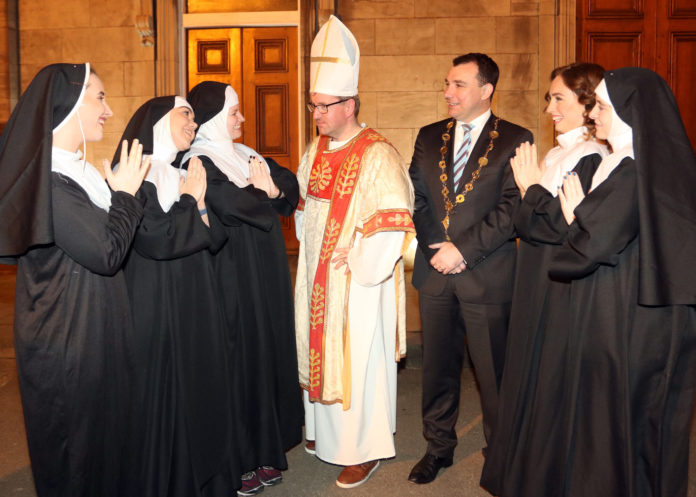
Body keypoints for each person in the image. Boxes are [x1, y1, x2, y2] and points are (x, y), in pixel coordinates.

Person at [496, 67, 696, 496]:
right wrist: (579, 221)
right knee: (610, 419)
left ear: (628, 112)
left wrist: (575, 219)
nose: (595, 115)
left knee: (626, 419)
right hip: (622, 305)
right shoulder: (633, 162)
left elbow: (592, 244)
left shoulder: (635, 167)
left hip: (635, 318)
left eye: (603, 107)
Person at [0, 63, 149, 496]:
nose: (109, 110)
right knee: (79, 460)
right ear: (67, 107)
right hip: (67, 346)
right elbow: (106, 253)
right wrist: (123, 194)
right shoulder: (48, 182)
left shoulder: (76, 172)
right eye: (99, 97)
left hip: (94, 335)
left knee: (109, 448)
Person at [295, 15, 415, 489]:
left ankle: (364, 450)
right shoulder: (317, 148)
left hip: (357, 283)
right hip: (317, 273)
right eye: (313, 105)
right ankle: (324, 435)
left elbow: (393, 222)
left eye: (323, 106)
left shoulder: (378, 153)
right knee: (316, 347)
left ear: (350, 103)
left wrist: (359, 256)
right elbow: (306, 206)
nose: (316, 114)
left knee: (357, 360)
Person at [480, 62, 608, 496]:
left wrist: (532, 191)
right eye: (550, 97)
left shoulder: (593, 157)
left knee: (551, 377)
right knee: (526, 371)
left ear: (588, 104)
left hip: (559, 283)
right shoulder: (555, 154)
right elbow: (523, 222)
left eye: (559, 99)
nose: (548, 107)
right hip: (533, 274)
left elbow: (558, 228)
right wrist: (532, 196)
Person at [408, 52, 533, 484]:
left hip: (488, 276)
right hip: (435, 274)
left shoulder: (517, 139)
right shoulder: (428, 136)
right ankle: (438, 447)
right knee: (437, 370)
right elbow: (418, 199)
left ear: (486, 90)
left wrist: (461, 250)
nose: (448, 92)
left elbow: (513, 207)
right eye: (447, 83)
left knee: (494, 376)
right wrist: (435, 249)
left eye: (459, 85)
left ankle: (501, 455)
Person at [184, 81, 303, 496]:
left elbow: (290, 184)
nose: (243, 120)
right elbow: (231, 206)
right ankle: (238, 458)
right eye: (234, 114)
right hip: (230, 277)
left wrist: (271, 190)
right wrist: (266, 192)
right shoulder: (197, 160)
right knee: (238, 361)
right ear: (215, 117)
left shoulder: (247, 154)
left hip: (265, 274)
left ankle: (265, 449)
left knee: (265, 354)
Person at [112, 97, 236, 497]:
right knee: (164, 402)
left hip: (193, 302)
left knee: (198, 393)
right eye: (186, 114)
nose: (194, 123)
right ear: (157, 120)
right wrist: (190, 201)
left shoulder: (180, 173)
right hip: (156, 308)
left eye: (197, 118)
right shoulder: (134, 176)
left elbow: (215, 237)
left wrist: (198, 201)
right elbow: (158, 240)